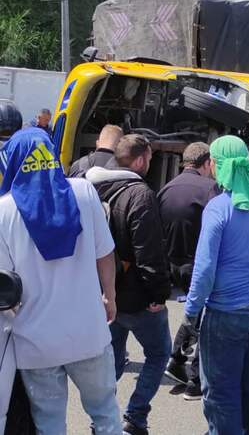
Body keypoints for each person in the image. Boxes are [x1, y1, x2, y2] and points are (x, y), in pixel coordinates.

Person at [0, 128, 122, 434]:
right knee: (106, 415)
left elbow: (6, 287)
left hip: (35, 342)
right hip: (88, 332)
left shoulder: (4, 210)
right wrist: (109, 296)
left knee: (50, 424)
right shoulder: (83, 192)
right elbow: (105, 253)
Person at [185, 135, 249, 435]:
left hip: (227, 311)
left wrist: (190, 313)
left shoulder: (218, 208)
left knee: (221, 392)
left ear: (217, 164)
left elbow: (204, 270)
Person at [87, 134, 172, 435]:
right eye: (149, 158)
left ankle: (102, 419)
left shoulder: (91, 185)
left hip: (103, 293)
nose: (150, 163)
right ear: (138, 160)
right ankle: (134, 417)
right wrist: (158, 293)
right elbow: (149, 251)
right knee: (160, 353)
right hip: (137, 296)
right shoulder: (139, 194)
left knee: (113, 358)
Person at [158, 142, 218, 400]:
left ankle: (176, 359)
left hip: (173, 264)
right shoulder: (210, 189)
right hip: (198, 264)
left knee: (195, 313)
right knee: (207, 321)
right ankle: (195, 381)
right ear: (206, 164)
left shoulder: (166, 189)